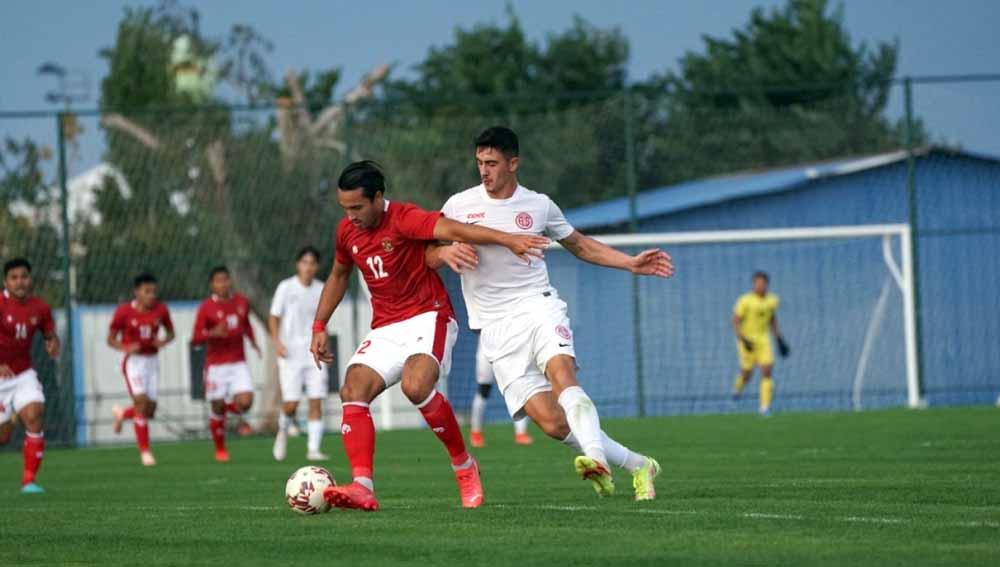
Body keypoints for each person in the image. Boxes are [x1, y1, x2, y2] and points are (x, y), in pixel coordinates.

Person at [427, 126, 673, 501]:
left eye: (491, 163)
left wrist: (630, 264)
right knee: (553, 423)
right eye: (479, 163)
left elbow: (580, 246)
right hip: (494, 328)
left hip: (537, 305)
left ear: (514, 163)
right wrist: (442, 254)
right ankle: (640, 465)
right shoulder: (459, 205)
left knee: (563, 373)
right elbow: (425, 252)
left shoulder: (539, 205)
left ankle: (595, 459)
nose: (484, 171)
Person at [309, 160, 550, 511]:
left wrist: (508, 240)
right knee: (352, 389)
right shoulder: (347, 231)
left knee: (416, 386)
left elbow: (455, 229)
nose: (351, 216)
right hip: (386, 326)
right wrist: (319, 325)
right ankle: (362, 485)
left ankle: (464, 466)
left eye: (358, 207)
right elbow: (338, 274)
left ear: (379, 197)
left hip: (428, 316)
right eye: (345, 208)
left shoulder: (405, 217)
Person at [0, 258, 60, 494]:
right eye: (14, 278)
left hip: (24, 372)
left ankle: (29, 481)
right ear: (6, 281)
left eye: (24, 276)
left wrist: (53, 343)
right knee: (3, 438)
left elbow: (49, 334)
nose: (20, 282)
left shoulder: (40, 307)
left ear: (30, 279)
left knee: (35, 414)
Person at [191, 266, 260, 462]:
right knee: (217, 406)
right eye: (218, 280)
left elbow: (246, 324)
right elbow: (195, 338)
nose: (222, 284)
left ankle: (230, 415)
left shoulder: (241, 302)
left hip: (238, 361)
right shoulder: (206, 307)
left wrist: (253, 341)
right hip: (215, 365)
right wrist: (213, 333)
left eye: (225, 279)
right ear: (212, 284)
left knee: (246, 402)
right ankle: (220, 449)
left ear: (230, 281)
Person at [108, 273, 175, 466]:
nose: (151, 295)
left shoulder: (161, 310)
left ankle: (122, 413)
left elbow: (171, 333)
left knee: (149, 410)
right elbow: (110, 339)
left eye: (154, 291)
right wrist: (125, 347)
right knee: (141, 403)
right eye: (147, 291)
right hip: (134, 361)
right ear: (136, 292)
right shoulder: (124, 312)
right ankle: (145, 452)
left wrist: (163, 341)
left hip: (152, 361)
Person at [269, 245, 329, 462]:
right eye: (304, 262)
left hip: (313, 352)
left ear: (317, 267)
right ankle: (283, 430)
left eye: (312, 263)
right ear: (298, 264)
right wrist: (277, 342)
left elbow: (324, 322)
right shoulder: (286, 287)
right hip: (290, 354)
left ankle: (313, 449)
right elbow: (274, 316)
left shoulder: (322, 288)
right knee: (291, 403)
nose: (308, 267)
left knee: (316, 400)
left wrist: (324, 345)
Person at [732, 271, 789, 416]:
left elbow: (772, 319)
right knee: (747, 374)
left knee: (767, 371)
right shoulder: (745, 300)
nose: (760, 286)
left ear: (767, 284)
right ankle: (737, 389)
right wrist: (742, 339)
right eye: (757, 283)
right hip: (747, 341)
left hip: (764, 341)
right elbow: (735, 321)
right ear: (753, 284)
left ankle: (764, 408)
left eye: (762, 283)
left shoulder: (772, 300)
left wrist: (779, 339)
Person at [468, 336, 533, 448]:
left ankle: (521, 433)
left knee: (517, 388)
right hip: (486, 351)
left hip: (509, 350)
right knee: (484, 389)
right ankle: (476, 432)